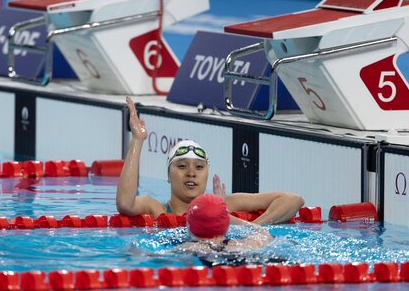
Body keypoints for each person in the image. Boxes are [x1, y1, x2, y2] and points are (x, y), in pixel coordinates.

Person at [117, 96, 304, 224]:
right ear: (168, 175)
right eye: (182, 166)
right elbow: (125, 204)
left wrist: (248, 227)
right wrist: (137, 140)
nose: (191, 173)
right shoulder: (157, 210)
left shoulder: (228, 204)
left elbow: (293, 200)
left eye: (199, 167)